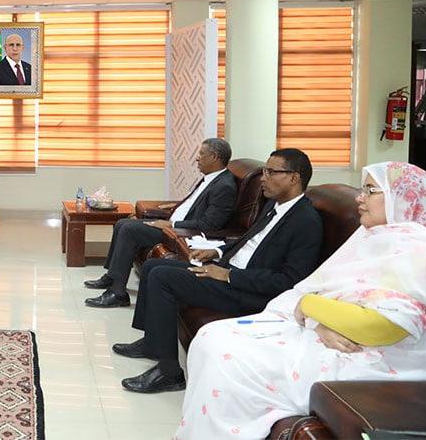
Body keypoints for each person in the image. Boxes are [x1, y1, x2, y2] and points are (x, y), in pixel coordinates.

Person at [175, 161, 426, 439]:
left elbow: (382, 326)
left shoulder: (414, 249)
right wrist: (317, 321)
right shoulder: (371, 237)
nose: (359, 197)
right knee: (210, 336)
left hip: (372, 358)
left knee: (227, 355)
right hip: (328, 332)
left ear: (402, 198)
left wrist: (310, 308)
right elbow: (312, 291)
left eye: (370, 190)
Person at [112, 148, 323, 394]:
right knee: (152, 266)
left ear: (293, 177)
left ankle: (170, 373)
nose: (263, 178)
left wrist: (229, 275)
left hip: (248, 290)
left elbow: (289, 281)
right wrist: (217, 252)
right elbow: (247, 240)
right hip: (229, 270)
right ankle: (152, 342)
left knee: (162, 277)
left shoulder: (306, 221)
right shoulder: (274, 206)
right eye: (264, 171)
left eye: (270, 172)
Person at [85, 138, 237, 307]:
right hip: (173, 225)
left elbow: (209, 225)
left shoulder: (225, 186)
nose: (197, 158)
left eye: (201, 154)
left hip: (182, 233)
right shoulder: (211, 178)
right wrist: (175, 207)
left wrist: (172, 225)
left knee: (129, 229)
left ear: (214, 157)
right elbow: (195, 205)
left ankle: (117, 293)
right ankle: (111, 277)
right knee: (122, 223)